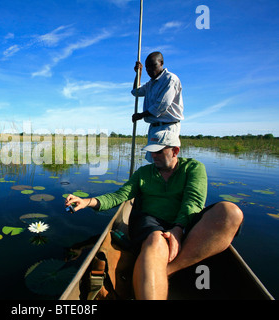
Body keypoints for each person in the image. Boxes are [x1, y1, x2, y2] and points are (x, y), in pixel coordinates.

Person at [65, 129, 244, 300]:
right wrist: (87, 201)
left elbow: (193, 202)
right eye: (151, 151)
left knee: (231, 213)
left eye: (159, 151)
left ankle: (164, 271)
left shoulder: (193, 168)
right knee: (157, 240)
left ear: (175, 151)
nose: (154, 156)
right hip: (151, 223)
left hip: (186, 220)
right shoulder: (143, 173)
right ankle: (159, 270)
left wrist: (178, 229)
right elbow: (118, 196)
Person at [131, 51, 184, 163]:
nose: (150, 70)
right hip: (154, 127)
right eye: (147, 68)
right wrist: (138, 73)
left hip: (167, 127)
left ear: (161, 63)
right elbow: (136, 92)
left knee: (165, 163)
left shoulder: (170, 79)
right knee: (154, 161)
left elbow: (161, 106)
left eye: (153, 66)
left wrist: (140, 115)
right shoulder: (151, 83)